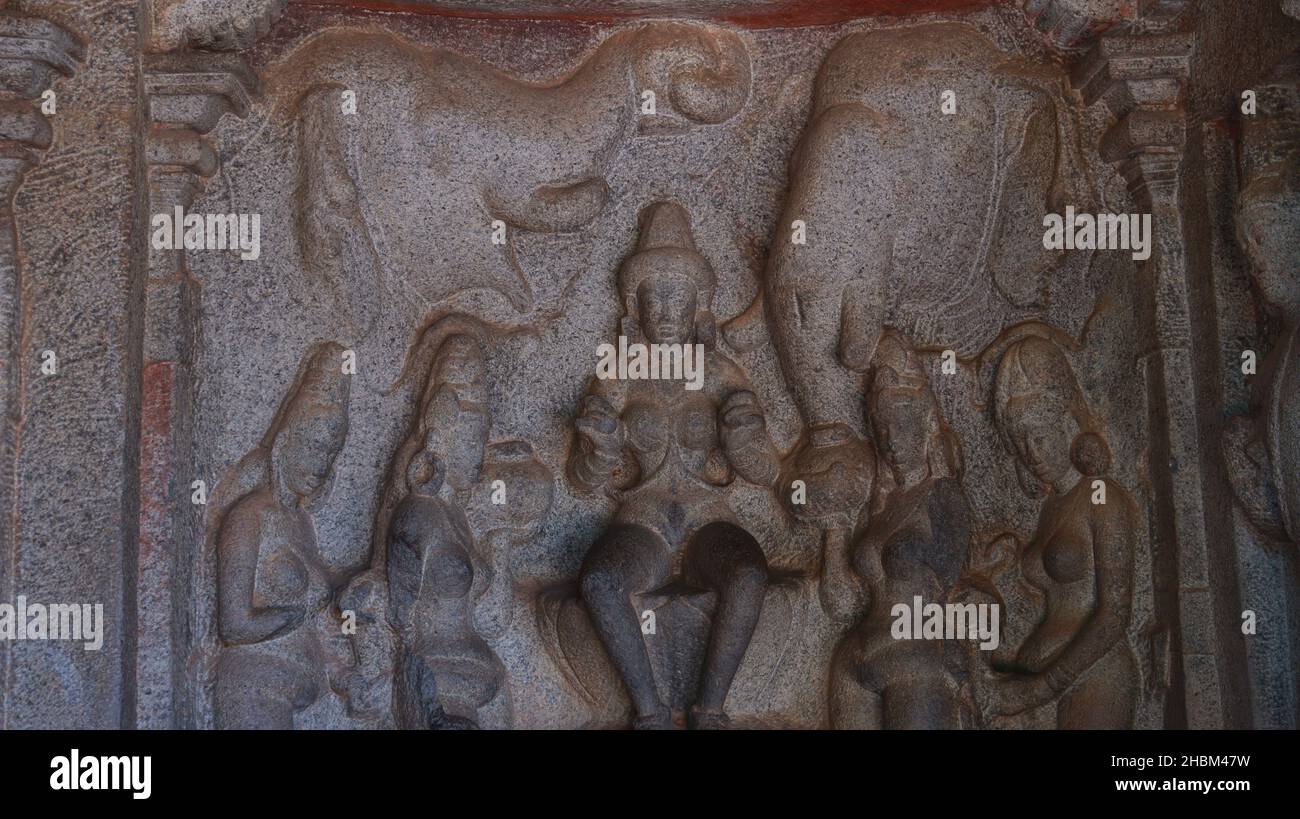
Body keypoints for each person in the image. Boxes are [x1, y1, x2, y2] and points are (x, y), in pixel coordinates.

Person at [569, 201, 780, 729]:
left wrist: (744, 436)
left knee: (749, 575)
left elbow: (765, 472)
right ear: (633, 306)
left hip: (711, 521)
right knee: (599, 582)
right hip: (642, 525)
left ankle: (711, 710)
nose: (665, 310)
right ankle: (650, 713)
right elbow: (579, 481)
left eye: (677, 297)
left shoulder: (719, 372)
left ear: (698, 306)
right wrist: (601, 452)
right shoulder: (618, 375)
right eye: (653, 296)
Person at [974, 332, 1137, 728]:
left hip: (1093, 676)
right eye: (1021, 442)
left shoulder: (1102, 497)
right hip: (1042, 680)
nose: (1031, 452)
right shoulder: (1050, 508)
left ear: (1066, 422)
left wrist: (1040, 688)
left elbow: (1114, 615)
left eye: (1040, 435)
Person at [827, 332, 971, 729]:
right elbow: (841, 600)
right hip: (856, 660)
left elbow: (952, 583)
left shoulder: (943, 496)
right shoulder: (882, 505)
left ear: (925, 421)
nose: (890, 439)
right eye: (881, 426)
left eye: (901, 423)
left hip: (915, 658)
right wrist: (833, 528)